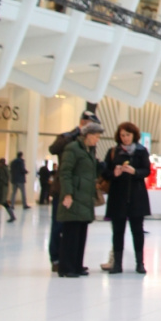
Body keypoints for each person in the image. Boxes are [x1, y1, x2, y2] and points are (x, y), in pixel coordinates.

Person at [101, 122, 151, 273]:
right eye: (122, 135)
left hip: (137, 196)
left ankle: (140, 263)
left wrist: (135, 171)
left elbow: (147, 171)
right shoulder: (113, 151)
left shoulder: (142, 151)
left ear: (134, 135)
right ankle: (117, 263)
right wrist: (113, 173)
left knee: (137, 231)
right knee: (117, 231)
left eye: (128, 135)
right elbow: (104, 172)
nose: (125, 138)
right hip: (118, 197)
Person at [57, 118, 103, 275]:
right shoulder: (73, 148)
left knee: (81, 232)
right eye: (96, 136)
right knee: (71, 232)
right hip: (75, 196)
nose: (97, 140)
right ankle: (67, 267)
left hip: (84, 197)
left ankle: (77, 264)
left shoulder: (89, 151)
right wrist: (68, 193)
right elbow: (65, 172)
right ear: (88, 135)